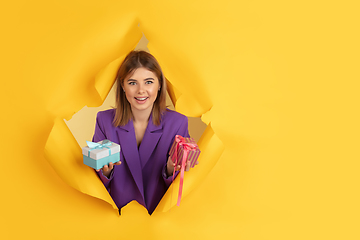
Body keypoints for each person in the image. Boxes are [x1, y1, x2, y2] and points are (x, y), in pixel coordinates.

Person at [92, 50, 197, 215]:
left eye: (148, 82)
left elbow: (180, 188)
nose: (141, 90)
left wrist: (171, 167)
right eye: (133, 83)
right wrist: (106, 170)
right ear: (122, 85)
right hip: (117, 217)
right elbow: (93, 183)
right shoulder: (104, 121)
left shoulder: (177, 123)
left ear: (159, 84)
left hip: (157, 218)